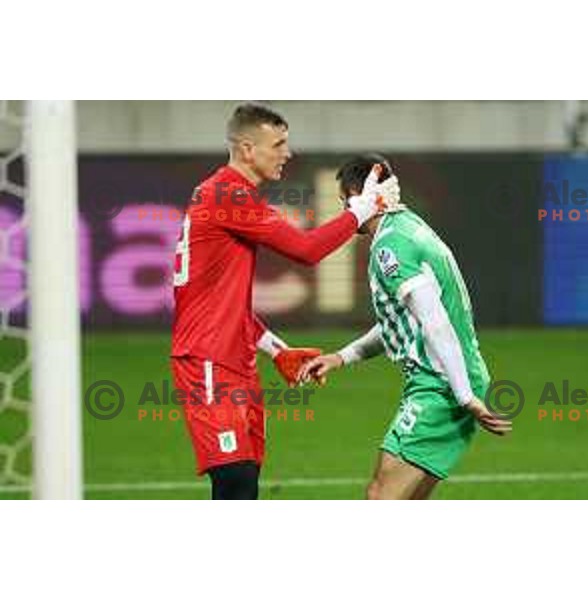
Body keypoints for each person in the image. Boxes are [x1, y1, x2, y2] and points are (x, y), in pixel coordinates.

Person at [171, 105, 397, 500]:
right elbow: (306, 250)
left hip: (235, 360)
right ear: (246, 149)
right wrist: (362, 207)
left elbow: (222, 303)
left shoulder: (230, 194)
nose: (287, 154)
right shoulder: (225, 194)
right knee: (234, 480)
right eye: (278, 144)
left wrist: (277, 350)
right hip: (208, 360)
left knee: (244, 484)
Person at [298, 153, 511, 500]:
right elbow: (404, 322)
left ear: (358, 195)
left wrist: (463, 395)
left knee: (380, 497)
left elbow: (435, 323)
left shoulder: (390, 247)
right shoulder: (408, 227)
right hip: (448, 379)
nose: (344, 213)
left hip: (440, 385)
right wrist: (342, 356)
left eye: (344, 202)